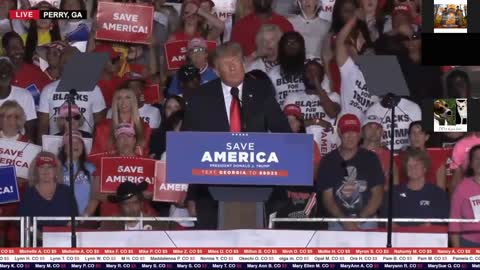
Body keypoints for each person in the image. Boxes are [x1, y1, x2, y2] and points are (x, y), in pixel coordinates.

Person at [182, 41, 291, 229]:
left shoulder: (262, 92)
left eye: (237, 62)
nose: (233, 67)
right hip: (210, 187)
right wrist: (191, 194)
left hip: (259, 184)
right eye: (226, 64)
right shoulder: (201, 98)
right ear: (216, 71)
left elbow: (284, 134)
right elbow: (188, 145)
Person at [317, 113, 384, 231]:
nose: (350, 136)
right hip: (337, 222)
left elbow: (377, 194)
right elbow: (327, 198)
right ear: (339, 132)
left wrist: (359, 220)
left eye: (354, 132)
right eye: (346, 132)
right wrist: (345, 221)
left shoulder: (371, 159)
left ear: (360, 134)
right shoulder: (328, 161)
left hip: (366, 221)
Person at [38, 46, 107, 143]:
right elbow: (43, 127)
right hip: (55, 144)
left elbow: (100, 126)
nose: (66, 65)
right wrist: (43, 149)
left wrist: (94, 149)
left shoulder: (94, 90)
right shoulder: (48, 90)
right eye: (63, 62)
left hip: (85, 145)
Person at [84, 123, 155, 217]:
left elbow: (156, 194)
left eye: (129, 136)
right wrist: (84, 217)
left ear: (134, 140)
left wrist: (149, 195)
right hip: (110, 217)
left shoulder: (147, 163)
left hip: (141, 217)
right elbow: (95, 195)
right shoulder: (105, 163)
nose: (125, 140)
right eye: (121, 137)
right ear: (116, 142)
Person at [18, 151, 78, 246]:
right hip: (35, 244)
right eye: (41, 167)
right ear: (36, 170)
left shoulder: (66, 191)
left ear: (56, 170)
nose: (45, 171)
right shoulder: (28, 192)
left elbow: (74, 219)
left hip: (64, 243)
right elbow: (24, 223)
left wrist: (60, 238)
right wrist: (43, 238)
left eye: (50, 167)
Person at [284, 60, 340, 156]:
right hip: (298, 148)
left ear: (322, 77)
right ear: (303, 75)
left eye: (316, 72)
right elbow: (287, 126)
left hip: (326, 149)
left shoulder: (333, 96)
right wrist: (315, 121)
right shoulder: (292, 97)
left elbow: (332, 113)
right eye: (309, 71)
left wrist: (317, 85)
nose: (312, 75)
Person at [385, 147, 449, 227]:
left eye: (416, 164)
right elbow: (386, 221)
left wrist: (429, 227)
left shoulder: (438, 194)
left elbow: (443, 222)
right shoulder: (393, 193)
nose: (413, 168)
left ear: (425, 168)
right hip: (399, 237)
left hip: (428, 237)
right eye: (409, 165)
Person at [336, 17, 378, 119]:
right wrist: (354, 17)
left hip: (370, 128)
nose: (349, 47)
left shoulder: (381, 71)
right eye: (349, 44)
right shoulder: (349, 67)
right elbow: (339, 41)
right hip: (347, 125)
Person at [91, 88, 151, 156]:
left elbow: (145, 156)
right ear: (115, 102)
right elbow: (95, 156)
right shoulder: (102, 127)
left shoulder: (144, 127)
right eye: (119, 98)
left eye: (127, 97)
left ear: (133, 101)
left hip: (135, 165)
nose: (123, 101)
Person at [2, 31, 51, 107]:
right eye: (13, 47)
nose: (18, 50)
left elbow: (51, 96)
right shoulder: (2, 76)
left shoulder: (36, 72)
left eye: (21, 47)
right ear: (5, 51)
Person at [99, 181, 170, 231]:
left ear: (141, 204)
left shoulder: (156, 224)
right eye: (126, 204)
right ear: (120, 206)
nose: (131, 207)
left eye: (134, 203)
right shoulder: (109, 225)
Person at [0, 57, 36, 141]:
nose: (3, 71)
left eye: (7, 68)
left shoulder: (24, 95)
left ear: (12, 74)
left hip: (19, 146)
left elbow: (30, 130)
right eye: (0, 68)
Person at [450, 145, 480, 247]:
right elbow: (454, 221)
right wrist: (457, 252)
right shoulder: (462, 188)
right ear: (471, 163)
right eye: (476, 158)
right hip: (469, 243)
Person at [58, 131, 94, 215]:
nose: (76, 145)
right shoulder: (56, 168)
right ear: (64, 148)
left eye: (79, 142)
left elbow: (95, 196)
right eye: (71, 143)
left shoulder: (91, 168)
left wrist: (85, 216)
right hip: (61, 219)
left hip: (83, 220)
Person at [268, 31, 307, 108]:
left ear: (302, 47)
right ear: (281, 48)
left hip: (305, 115)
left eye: (295, 43)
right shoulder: (272, 73)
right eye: (288, 43)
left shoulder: (309, 70)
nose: (291, 46)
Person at [361, 114, 399, 190]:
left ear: (382, 132)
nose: (373, 131)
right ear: (362, 131)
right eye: (370, 127)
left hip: (384, 199)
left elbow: (395, 187)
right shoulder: (353, 153)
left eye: (377, 127)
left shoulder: (389, 156)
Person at [119, 65, 162, 130]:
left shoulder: (153, 112)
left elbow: (150, 137)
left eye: (135, 87)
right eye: (129, 88)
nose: (131, 91)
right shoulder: (115, 111)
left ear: (142, 90)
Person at [94, 44, 124, 109]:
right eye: (114, 60)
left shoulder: (122, 81)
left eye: (118, 58)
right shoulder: (93, 86)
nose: (118, 62)